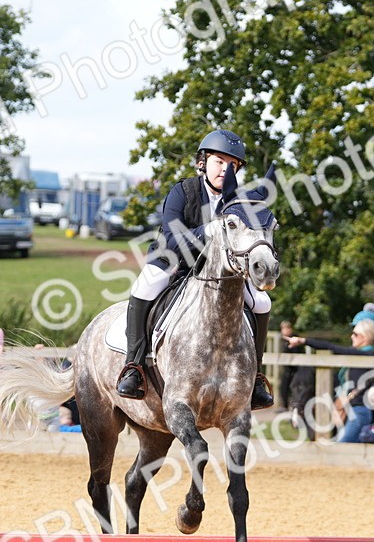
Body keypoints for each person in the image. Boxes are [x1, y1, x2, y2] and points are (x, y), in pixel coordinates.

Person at [116, 129, 273, 409]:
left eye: (232, 165)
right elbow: (172, 236)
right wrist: (208, 230)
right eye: (219, 162)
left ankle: (257, 376)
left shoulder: (238, 200)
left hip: (219, 273)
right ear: (203, 162)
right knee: (145, 285)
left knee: (261, 301)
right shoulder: (183, 191)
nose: (226, 170)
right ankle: (134, 366)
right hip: (174, 262)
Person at [286, 319, 374, 443]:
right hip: (353, 410)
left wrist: (303, 341)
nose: (351, 337)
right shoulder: (368, 355)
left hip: (358, 412)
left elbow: (330, 347)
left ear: (365, 338)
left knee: (339, 448)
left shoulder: (362, 355)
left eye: (355, 334)